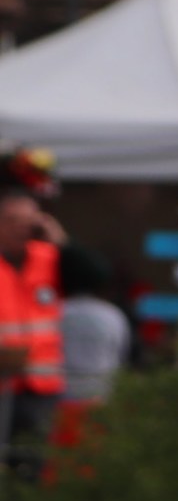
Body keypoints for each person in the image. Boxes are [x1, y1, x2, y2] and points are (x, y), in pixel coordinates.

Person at [0, 188, 64, 477]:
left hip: (40, 385)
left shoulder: (50, 257)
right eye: (12, 220)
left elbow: (94, 274)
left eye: (28, 220)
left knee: (32, 463)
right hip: (3, 382)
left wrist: (60, 241)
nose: (20, 227)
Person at [55, 244, 127, 451]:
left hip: (60, 399)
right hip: (100, 398)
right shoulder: (113, 315)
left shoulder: (58, 312)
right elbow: (120, 355)